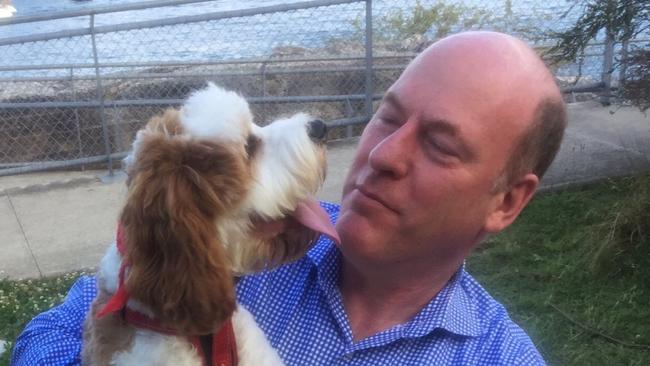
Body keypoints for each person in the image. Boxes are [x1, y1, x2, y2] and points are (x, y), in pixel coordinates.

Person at [12, 31, 566, 365]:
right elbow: (53, 330)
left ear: (507, 203)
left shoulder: (498, 357)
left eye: (440, 145)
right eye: (389, 116)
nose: (383, 155)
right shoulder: (244, 232)